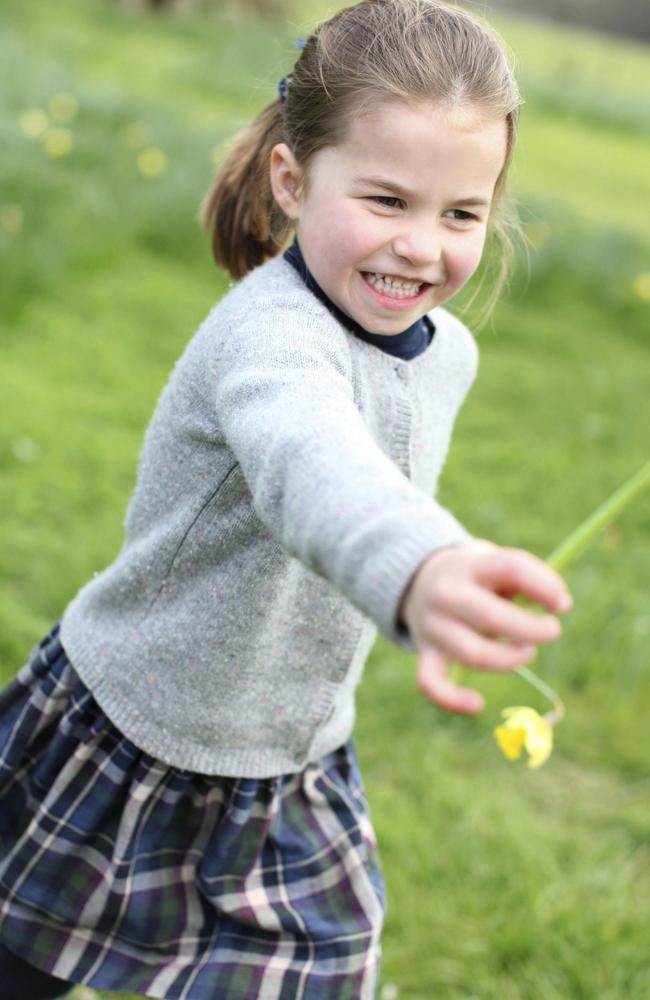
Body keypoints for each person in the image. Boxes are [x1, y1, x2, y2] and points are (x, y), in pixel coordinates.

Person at [0, 1, 573, 996]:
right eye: (385, 200)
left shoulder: (451, 354)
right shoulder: (266, 339)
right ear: (292, 180)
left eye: (460, 214)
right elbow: (313, 465)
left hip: (290, 761)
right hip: (130, 730)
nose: (421, 247)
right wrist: (421, 568)